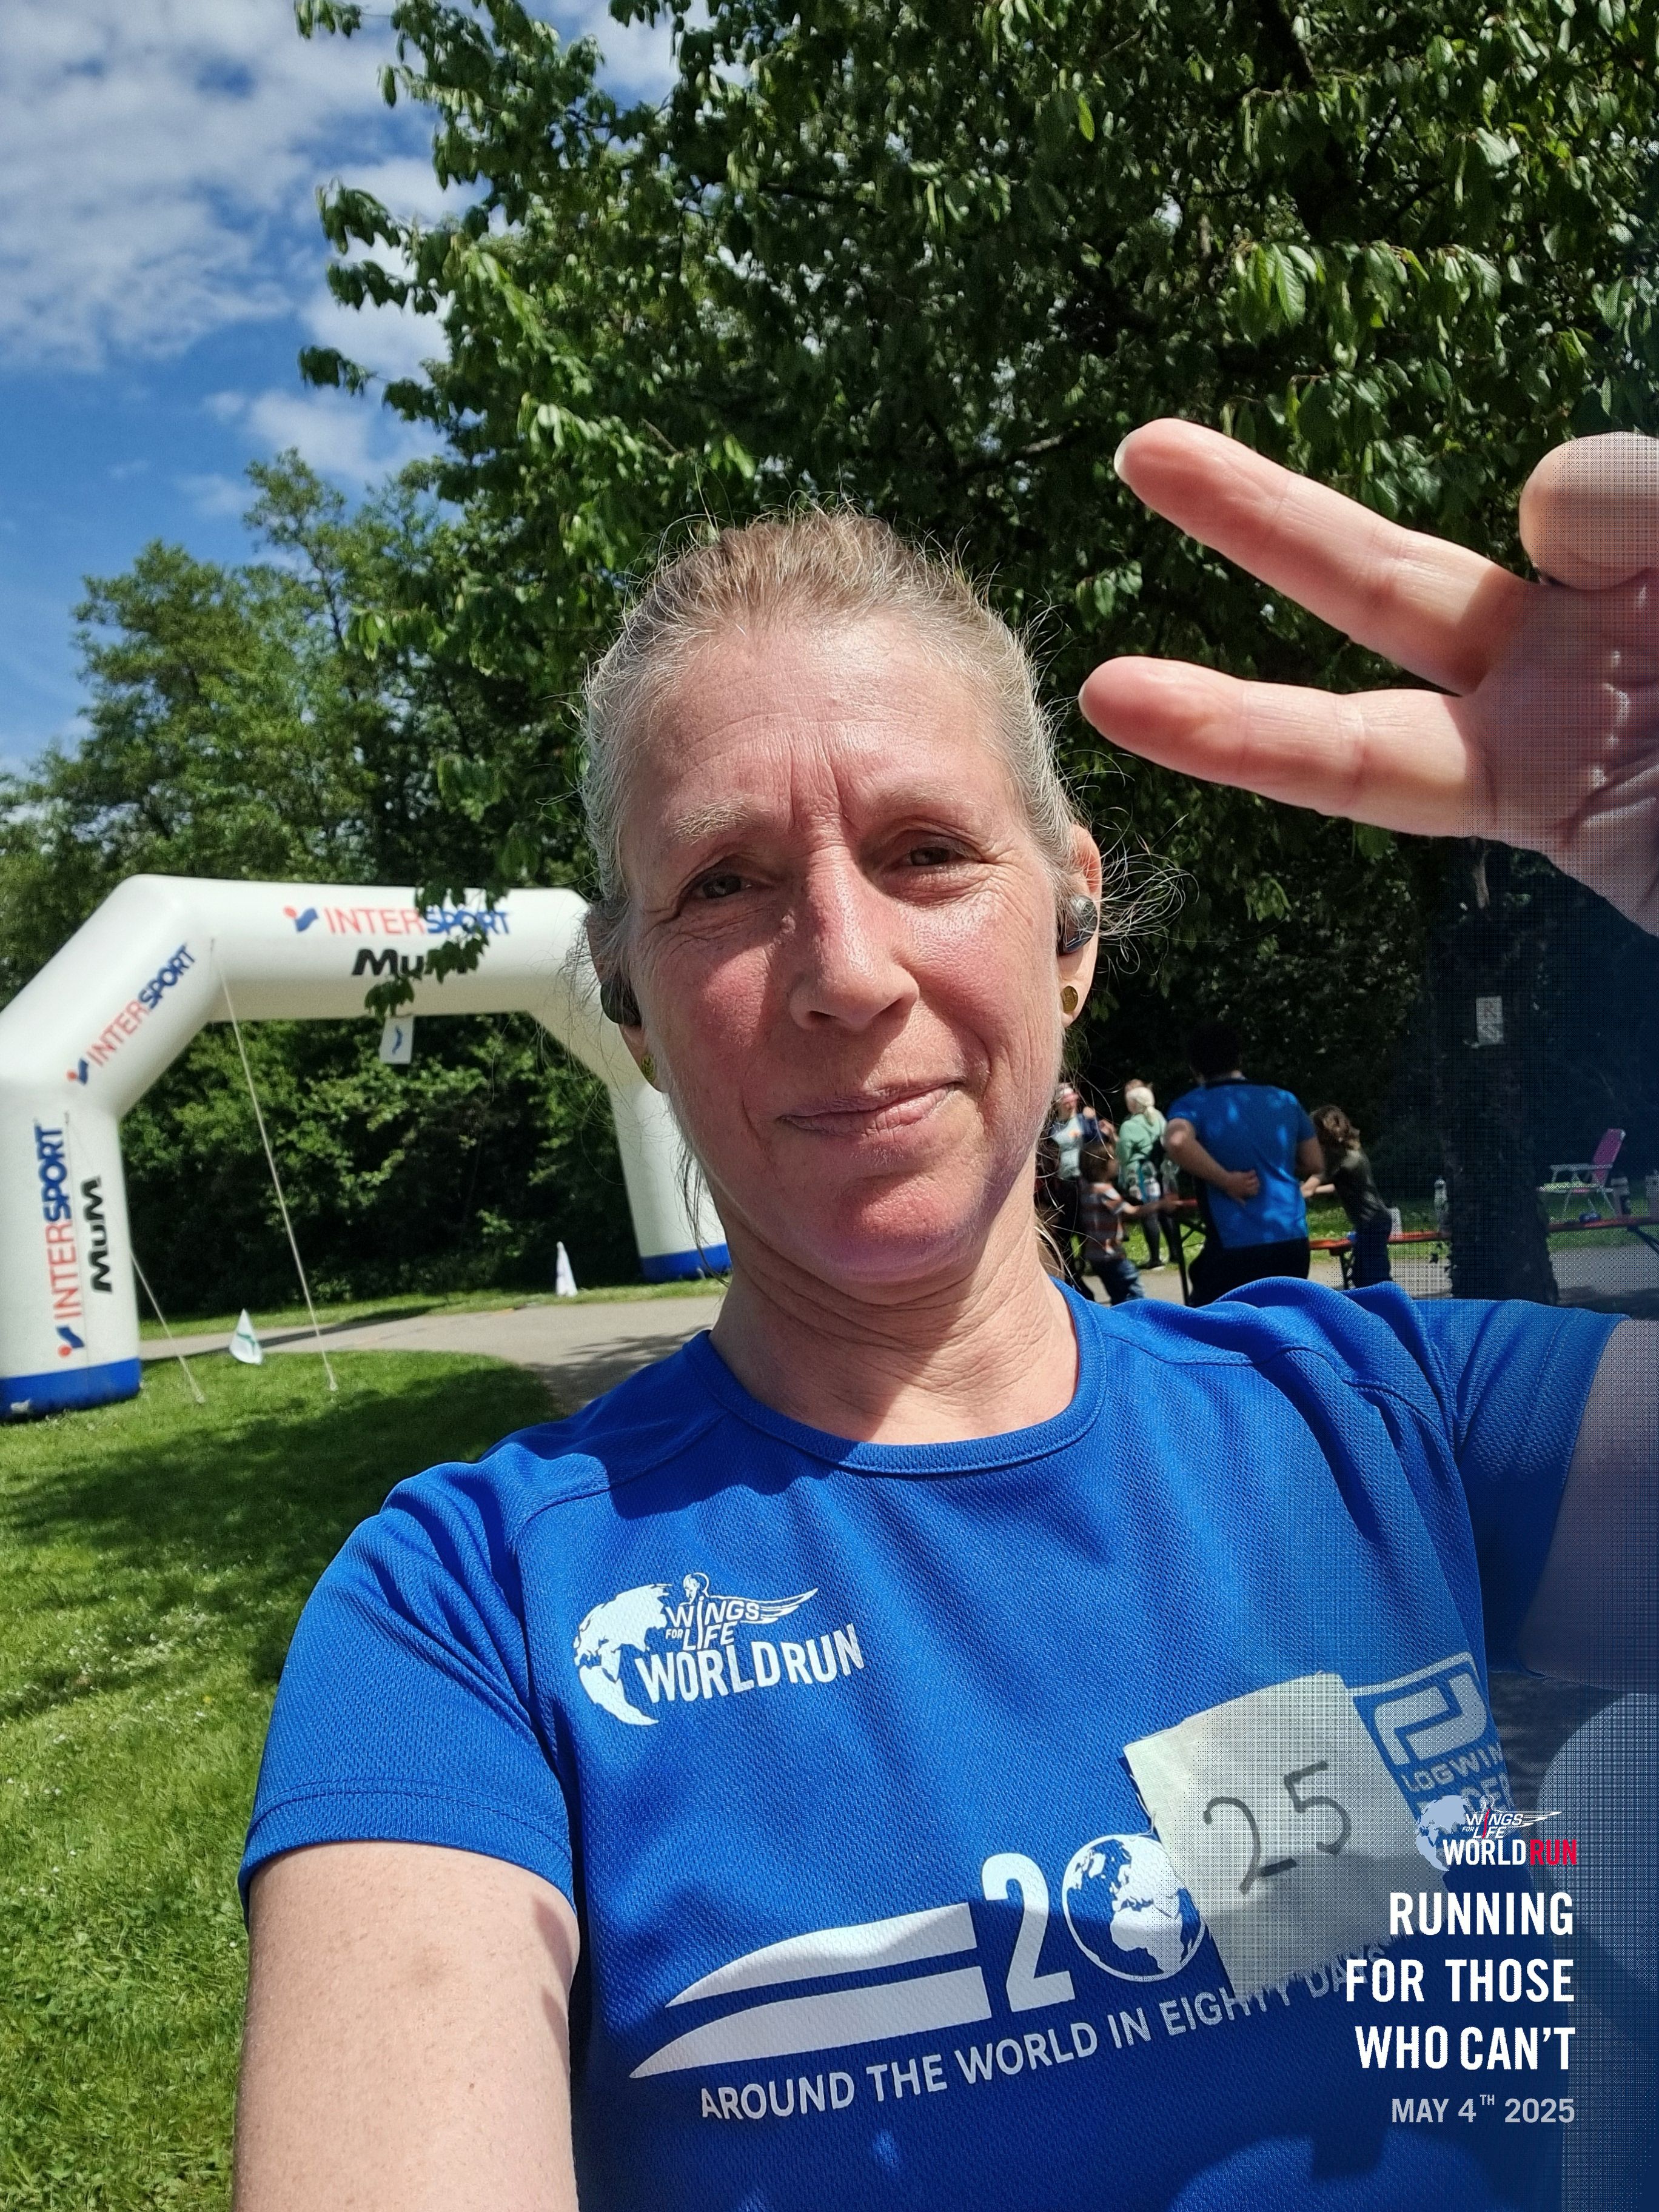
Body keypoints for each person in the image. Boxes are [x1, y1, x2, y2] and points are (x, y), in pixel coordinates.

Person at [234, 444, 1659, 2212]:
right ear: (632, 1008)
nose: (843, 969)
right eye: (724, 884)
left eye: (925, 851)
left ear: (1069, 926)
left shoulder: (1393, 1415)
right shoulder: (464, 1615)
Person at [1162, 1019, 1324, 1305]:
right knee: (1284, 1319)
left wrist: (1226, 1180)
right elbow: (1314, 1163)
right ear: (1240, 1058)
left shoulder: (1194, 1104)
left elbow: (1176, 1141)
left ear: (1194, 1067)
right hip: (1291, 1239)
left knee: (1211, 1323)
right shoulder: (1284, 1100)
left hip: (1236, 1243)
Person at [1309, 1105, 1393, 1289]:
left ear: (1325, 1132)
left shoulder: (1339, 1158)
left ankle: (1391, 1305)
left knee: (1374, 1277)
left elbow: (1313, 1183)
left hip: (1371, 1222)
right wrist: (1313, 1190)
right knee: (1362, 1275)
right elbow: (1338, 1185)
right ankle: (1381, 1303)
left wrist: (1294, 1192)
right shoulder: (1352, 1151)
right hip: (1374, 1221)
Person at [1076, 1134, 1151, 1303]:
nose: (1117, 1162)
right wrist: (1159, 1205)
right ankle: (1136, 1318)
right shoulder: (1105, 1191)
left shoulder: (1086, 1189)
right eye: (1113, 1158)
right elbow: (1132, 1212)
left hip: (1095, 1255)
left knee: (1117, 1296)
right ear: (1101, 1165)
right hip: (1111, 1254)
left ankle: (1120, 1318)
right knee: (1134, 1293)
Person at [1116, 1078, 1167, 1267]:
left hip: (1139, 1175)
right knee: (1163, 1211)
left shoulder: (1129, 1126)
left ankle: (1155, 1258)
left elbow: (1123, 1154)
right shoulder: (1159, 1119)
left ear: (1133, 1104)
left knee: (1147, 1213)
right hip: (1159, 1172)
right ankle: (1174, 1252)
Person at [1045, 1080, 1101, 1179]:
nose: (1071, 1105)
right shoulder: (1052, 1128)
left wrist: (1093, 1121)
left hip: (1084, 1175)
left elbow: (1098, 1143)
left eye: (1073, 1101)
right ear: (1058, 1104)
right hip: (1064, 1177)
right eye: (1067, 1103)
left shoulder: (1083, 1120)